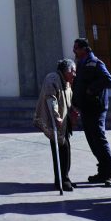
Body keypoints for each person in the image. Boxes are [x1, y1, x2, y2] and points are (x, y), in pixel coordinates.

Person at [71, 36, 111, 186]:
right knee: (92, 140)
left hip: (96, 108)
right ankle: (102, 171)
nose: (74, 50)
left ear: (84, 49)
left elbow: (108, 79)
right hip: (85, 108)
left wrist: (91, 89)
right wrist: (75, 104)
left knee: (99, 138)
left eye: (76, 48)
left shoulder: (96, 63)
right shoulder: (81, 64)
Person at [34, 58, 76, 192]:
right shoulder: (52, 79)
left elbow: (68, 99)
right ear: (66, 71)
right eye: (73, 71)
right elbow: (51, 99)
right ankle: (61, 180)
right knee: (61, 150)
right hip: (53, 121)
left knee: (65, 149)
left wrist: (73, 109)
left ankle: (64, 178)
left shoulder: (67, 81)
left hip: (64, 121)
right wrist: (56, 117)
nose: (75, 74)